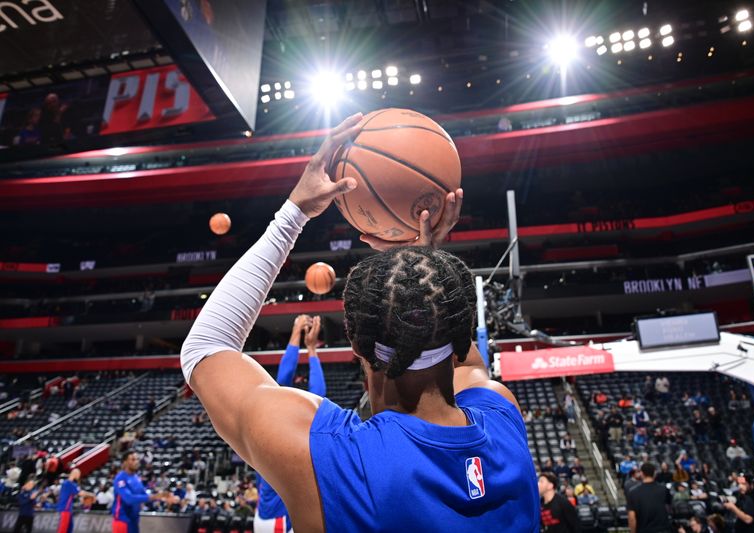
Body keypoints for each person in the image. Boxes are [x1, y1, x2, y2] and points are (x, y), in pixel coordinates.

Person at [179, 114, 539, 532]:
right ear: (458, 339)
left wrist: (293, 214)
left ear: (359, 351)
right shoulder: (501, 415)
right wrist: (421, 266)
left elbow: (205, 347)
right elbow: (469, 366)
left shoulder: (331, 459)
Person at [256, 314, 327, 533]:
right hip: (279, 520)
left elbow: (283, 382)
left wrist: (296, 333)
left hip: (269, 516)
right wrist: (312, 349)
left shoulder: (269, 426)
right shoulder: (302, 433)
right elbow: (319, 396)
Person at [112, 451, 161, 533]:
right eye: (133, 459)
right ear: (125, 462)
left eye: (137, 459)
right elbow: (129, 499)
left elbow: (144, 495)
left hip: (134, 520)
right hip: (122, 520)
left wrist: (163, 497)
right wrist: (152, 497)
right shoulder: (120, 478)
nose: (136, 462)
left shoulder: (136, 477)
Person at [626, 462, 671, 533]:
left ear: (642, 473)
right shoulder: (664, 489)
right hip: (662, 530)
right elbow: (668, 509)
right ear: (654, 473)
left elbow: (632, 517)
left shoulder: (633, 492)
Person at [57, 468, 92, 533]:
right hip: (65, 508)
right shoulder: (69, 483)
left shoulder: (69, 483)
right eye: (79, 474)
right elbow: (80, 493)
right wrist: (91, 494)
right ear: (75, 474)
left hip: (68, 509)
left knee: (69, 528)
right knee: (63, 529)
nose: (79, 476)